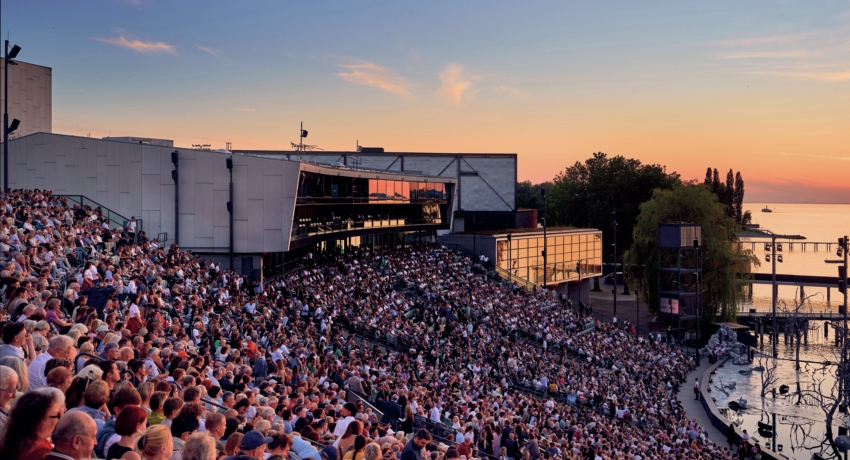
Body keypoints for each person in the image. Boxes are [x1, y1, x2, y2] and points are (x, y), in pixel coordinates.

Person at [0, 387, 66, 460]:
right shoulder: (43, 453)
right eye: (57, 415)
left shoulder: (10, 440)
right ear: (40, 423)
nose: (59, 419)